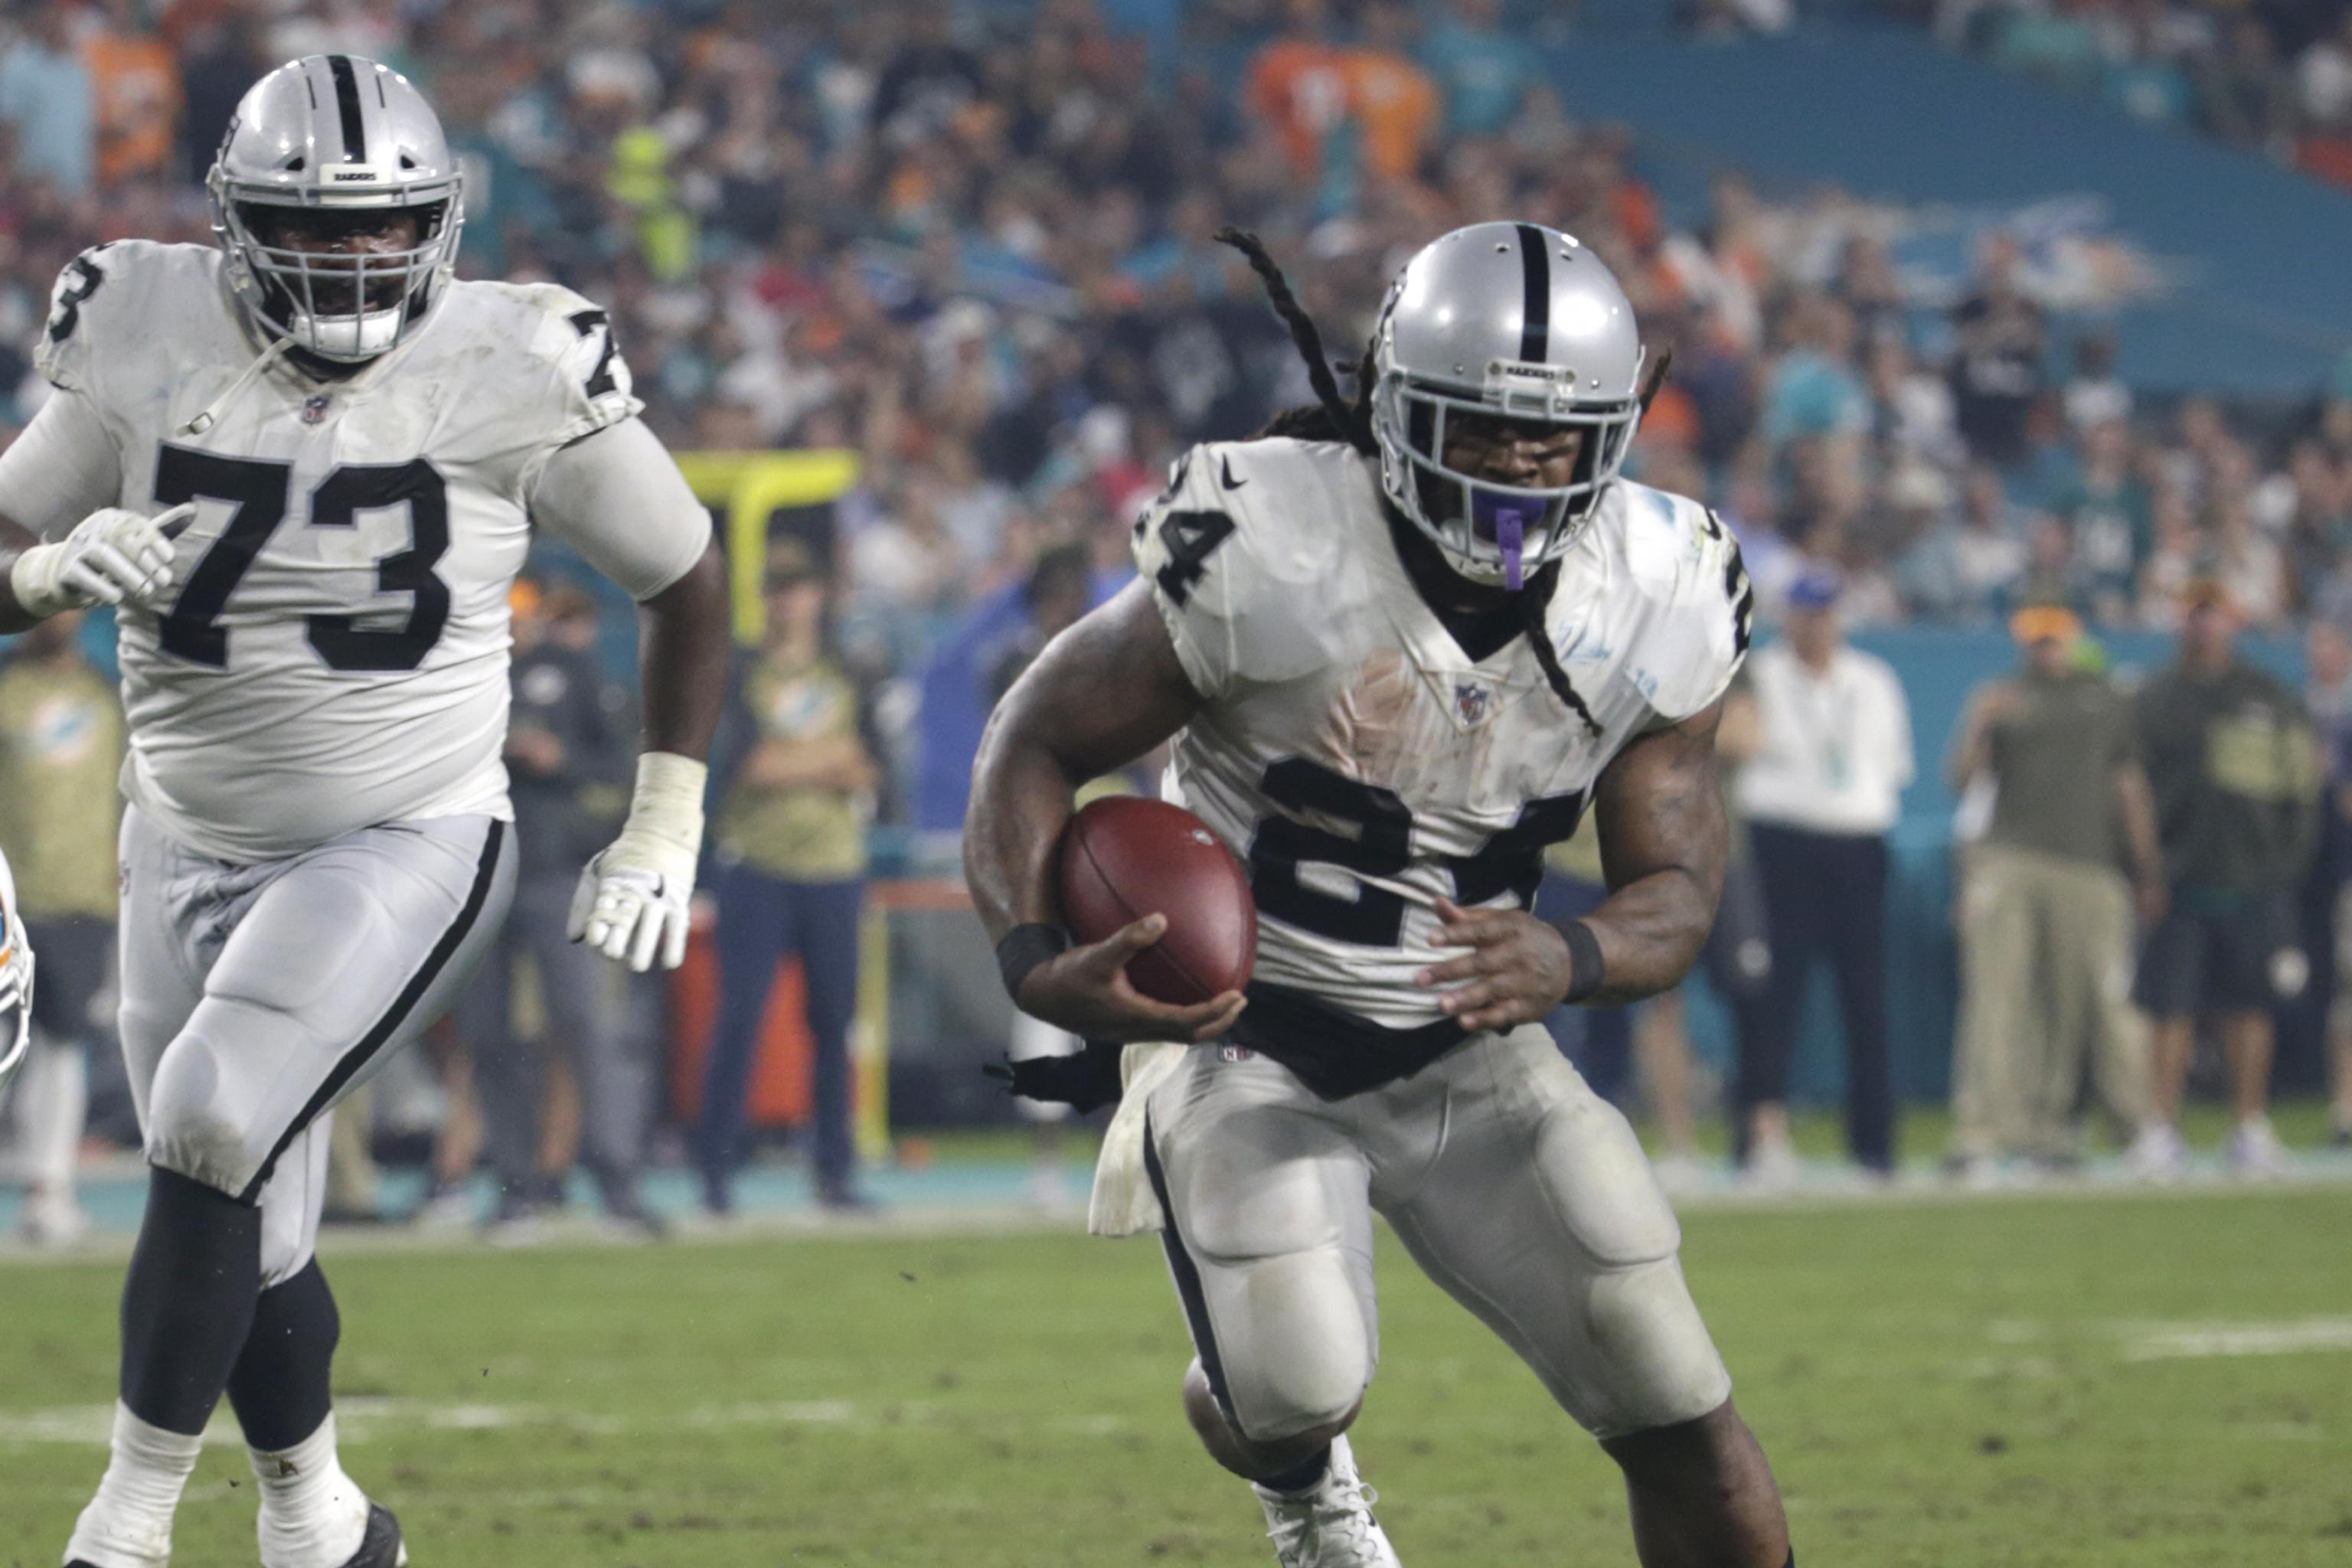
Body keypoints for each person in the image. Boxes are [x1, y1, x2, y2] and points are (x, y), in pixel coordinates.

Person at [969, 224, 1789, 1568]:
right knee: (1291, 1380)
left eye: (1553, 439)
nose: (1521, 470)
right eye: (1480, 431)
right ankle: (1302, 1484)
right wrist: (1029, 954)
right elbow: (1036, 736)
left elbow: (1678, 886)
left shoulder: (1660, 587)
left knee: (1669, 1381)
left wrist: (1572, 952)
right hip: (1241, 1031)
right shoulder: (1270, 539)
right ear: (1391, 408)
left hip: (1468, 1040)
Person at [0, 56, 727, 1568]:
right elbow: (5, 538)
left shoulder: (517, 354)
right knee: (242, 1212)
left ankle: (119, 1536)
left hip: (402, 833)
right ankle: (323, 1525)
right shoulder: (138, 319)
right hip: (177, 832)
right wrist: (36, 575)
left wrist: (665, 816)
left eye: (387, 229)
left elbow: (685, 572)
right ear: (233, 225)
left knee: (208, 1118)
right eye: (312, 229)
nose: (352, 259)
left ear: (440, 224)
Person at [457, 578, 662, 1238]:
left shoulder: (568, 672)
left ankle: (617, 1183)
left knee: (587, 1027)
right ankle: (518, 1187)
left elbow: (620, 764)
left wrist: (559, 758)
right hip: (479, 875)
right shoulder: (458, 679)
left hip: (555, 873)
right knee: (489, 1035)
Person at [1944, 606, 2164, 1181]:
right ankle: (1985, 1131)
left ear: (2073, 640)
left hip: (2089, 864)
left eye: (2054, 640)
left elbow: (2129, 785)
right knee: (1999, 997)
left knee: (2098, 998)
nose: (2045, 651)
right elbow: (1964, 784)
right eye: (2036, 641)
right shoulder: (2001, 698)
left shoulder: (2107, 699)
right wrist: (1980, 727)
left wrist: (2145, 867)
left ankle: (2125, 1126)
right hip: (2009, 859)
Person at [697, 542, 880, 1216]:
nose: (789, 601)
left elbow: (872, 768)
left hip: (833, 866)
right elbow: (745, 766)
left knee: (835, 1025)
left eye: (798, 588)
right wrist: (827, 761)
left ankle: (835, 1170)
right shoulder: (742, 670)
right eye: (778, 590)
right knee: (739, 1019)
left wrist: (794, 761)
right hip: (757, 863)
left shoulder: (848, 670)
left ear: (818, 596)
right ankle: (714, 1167)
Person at [2135, 581, 2322, 1176]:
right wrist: (2146, 867)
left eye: (2215, 614)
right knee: (2171, 1009)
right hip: (2180, 878)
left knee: (2249, 1007)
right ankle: (2161, 1129)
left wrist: (2283, 864)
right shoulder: (2157, 697)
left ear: (2233, 621)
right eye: (2196, 615)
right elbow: (2132, 788)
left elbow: (2302, 785)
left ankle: (2248, 1125)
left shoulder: (2266, 694)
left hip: (2253, 879)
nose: (2205, 626)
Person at [1735, 568, 1913, 1184]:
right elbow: (1745, 746)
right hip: (1782, 842)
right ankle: (1760, 1137)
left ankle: (1874, 1144)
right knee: (1773, 993)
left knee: (1866, 997)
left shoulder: (1871, 680)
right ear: (1789, 617)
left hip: (1857, 843)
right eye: (1806, 613)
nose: (1816, 625)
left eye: (1826, 613)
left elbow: (1890, 767)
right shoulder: (1760, 673)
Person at [0, 611, 124, 1245]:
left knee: (62, 1045)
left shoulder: (105, 692)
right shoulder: (4, 688)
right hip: (10, 897)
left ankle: (50, 1190)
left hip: (82, 899)